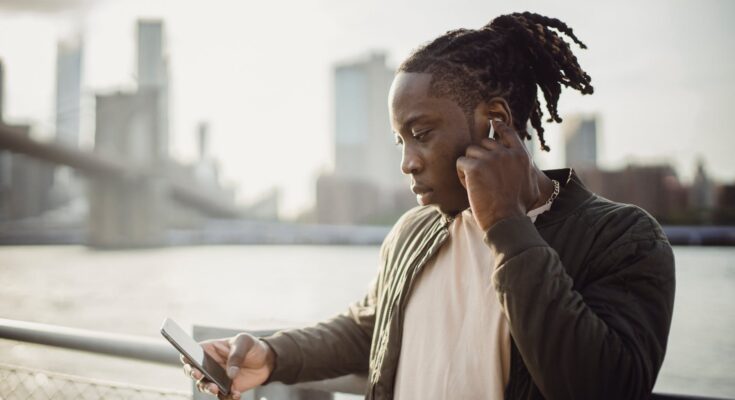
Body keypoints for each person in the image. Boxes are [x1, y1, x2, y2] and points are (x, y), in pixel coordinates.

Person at [182, 11, 675, 400]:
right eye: (399, 141)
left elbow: (604, 386)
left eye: (420, 135)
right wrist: (271, 355)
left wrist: (505, 222)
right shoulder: (413, 231)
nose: (407, 163)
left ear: (494, 121)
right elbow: (370, 327)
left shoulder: (623, 237)